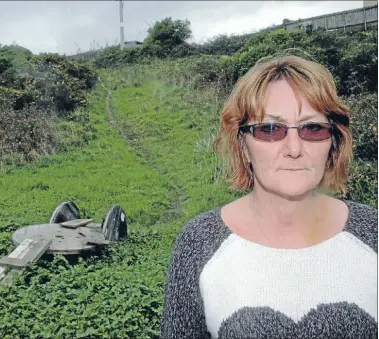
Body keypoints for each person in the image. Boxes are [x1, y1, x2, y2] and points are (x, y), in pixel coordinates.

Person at [160, 55, 377, 339]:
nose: (294, 148)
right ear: (243, 145)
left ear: (333, 142)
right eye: (270, 129)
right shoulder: (199, 244)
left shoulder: (372, 232)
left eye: (312, 128)